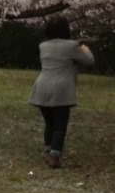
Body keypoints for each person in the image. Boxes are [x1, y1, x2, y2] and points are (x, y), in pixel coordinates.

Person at [28, 15, 95, 168]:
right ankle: (54, 155)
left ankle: (48, 151)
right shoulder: (71, 46)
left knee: (49, 123)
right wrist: (85, 49)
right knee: (60, 125)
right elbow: (89, 61)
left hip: (42, 88)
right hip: (61, 89)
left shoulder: (43, 46)